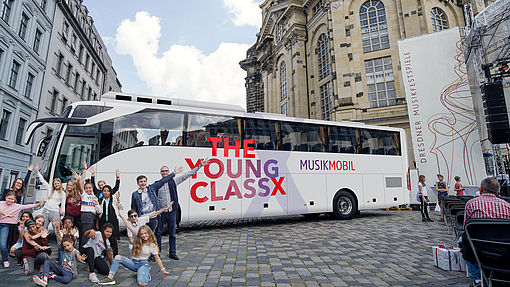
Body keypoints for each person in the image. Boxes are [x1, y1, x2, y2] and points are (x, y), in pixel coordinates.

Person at [460, 177, 510, 287]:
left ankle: (477, 277)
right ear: (498, 191)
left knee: (462, 239)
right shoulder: (507, 206)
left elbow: (466, 228)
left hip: (480, 248)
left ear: (481, 189)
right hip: (505, 249)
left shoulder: (471, 203)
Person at [156, 159, 210, 260]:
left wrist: (199, 166)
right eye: (163, 171)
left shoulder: (174, 181)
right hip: (161, 212)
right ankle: (157, 253)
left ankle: (172, 252)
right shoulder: (158, 184)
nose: (164, 173)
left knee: (172, 233)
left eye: (166, 171)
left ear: (169, 172)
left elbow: (187, 175)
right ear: (160, 173)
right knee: (158, 233)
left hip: (172, 212)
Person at [98, 225, 169, 286]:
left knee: (141, 283)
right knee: (117, 257)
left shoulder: (152, 245)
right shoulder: (139, 240)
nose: (144, 235)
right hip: (133, 263)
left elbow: (157, 258)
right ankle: (110, 278)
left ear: (149, 233)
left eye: (146, 233)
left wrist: (163, 270)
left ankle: (145, 273)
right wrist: (122, 216)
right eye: (142, 234)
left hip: (143, 264)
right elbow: (130, 227)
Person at [131, 166, 183, 233]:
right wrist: (134, 219)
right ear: (138, 183)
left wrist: (174, 173)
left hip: (153, 217)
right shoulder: (135, 194)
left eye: (144, 181)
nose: (143, 183)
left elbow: (163, 181)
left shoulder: (151, 189)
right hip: (142, 218)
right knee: (142, 235)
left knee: (152, 235)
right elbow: (133, 208)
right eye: (141, 182)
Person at [0, 192, 44, 268]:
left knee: (3, 245)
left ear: (15, 200)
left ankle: (5, 259)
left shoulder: (17, 206)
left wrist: (38, 204)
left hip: (5, 225)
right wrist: (5, 214)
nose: (10, 200)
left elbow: (27, 206)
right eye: (9, 198)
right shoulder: (1, 203)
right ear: (6, 198)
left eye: (12, 199)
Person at [1, 164, 33, 253]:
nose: (19, 185)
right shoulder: (7, 190)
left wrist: (29, 172)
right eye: (18, 183)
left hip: (14, 215)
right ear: (14, 183)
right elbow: (2, 202)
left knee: (12, 232)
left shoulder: (19, 193)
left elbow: (25, 182)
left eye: (20, 184)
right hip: (4, 214)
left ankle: (8, 248)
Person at [36, 164, 66, 230]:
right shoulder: (50, 189)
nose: (56, 185)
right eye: (55, 184)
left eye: (58, 183)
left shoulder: (63, 193)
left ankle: (60, 240)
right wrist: (38, 172)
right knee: (42, 228)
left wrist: (62, 217)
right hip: (46, 210)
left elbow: (63, 204)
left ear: (60, 184)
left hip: (55, 212)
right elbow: (43, 181)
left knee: (56, 230)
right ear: (53, 184)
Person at [98, 187, 122, 256]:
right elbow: (99, 211)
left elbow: (121, 208)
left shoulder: (113, 199)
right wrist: (96, 203)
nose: (106, 192)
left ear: (110, 192)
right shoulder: (100, 200)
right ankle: (104, 255)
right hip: (103, 222)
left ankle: (115, 256)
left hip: (112, 221)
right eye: (104, 191)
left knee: (113, 240)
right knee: (102, 239)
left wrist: (118, 200)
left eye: (108, 191)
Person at [80, 180, 101, 248]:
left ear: (92, 188)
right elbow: (80, 186)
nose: (88, 189)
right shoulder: (84, 195)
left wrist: (97, 203)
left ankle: (90, 249)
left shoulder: (94, 196)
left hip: (93, 217)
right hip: (86, 216)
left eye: (90, 188)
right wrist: (79, 179)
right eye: (86, 188)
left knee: (92, 235)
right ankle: (83, 250)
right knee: (86, 234)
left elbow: (99, 210)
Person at [64, 173, 82, 246]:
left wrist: (78, 179)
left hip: (78, 215)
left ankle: (80, 247)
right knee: (69, 232)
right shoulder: (65, 193)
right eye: (68, 185)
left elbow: (81, 187)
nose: (68, 186)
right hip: (69, 214)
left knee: (80, 231)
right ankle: (69, 245)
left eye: (70, 185)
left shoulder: (78, 192)